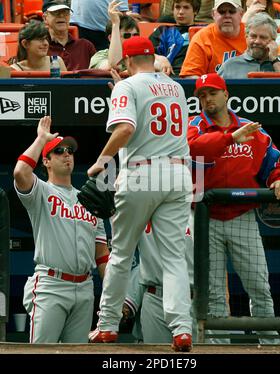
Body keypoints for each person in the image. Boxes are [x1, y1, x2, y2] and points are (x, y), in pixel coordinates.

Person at [87, 36, 194, 352]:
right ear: (151, 57)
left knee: (121, 253)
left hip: (142, 173)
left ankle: (107, 325)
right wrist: (127, 88)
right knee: (174, 257)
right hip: (177, 173)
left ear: (128, 61)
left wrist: (101, 162)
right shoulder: (176, 88)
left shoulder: (127, 87)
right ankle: (182, 330)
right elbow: (147, 97)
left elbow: (125, 129)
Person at [188, 73, 280, 344]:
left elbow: (274, 161)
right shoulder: (195, 126)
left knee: (259, 287)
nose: (207, 99)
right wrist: (230, 138)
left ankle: (270, 346)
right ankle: (217, 350)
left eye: (212, 93)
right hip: (204, 219)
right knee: (212, 294)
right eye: (201, 95)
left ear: (226, 95)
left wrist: (279, 178)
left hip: (242, 217)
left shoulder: (251, 129)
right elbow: (190, 149)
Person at [13, 116, 110, 343]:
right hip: (51, 285)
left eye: (70, 150)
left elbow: (102, 253)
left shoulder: (88, 198)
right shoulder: (42, 192)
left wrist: (111, 297)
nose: (67, 154)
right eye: (59, 151)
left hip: (85, 287)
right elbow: (20, 173)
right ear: (46, 161)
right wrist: (41, 140)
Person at [89, 1, 173, 75]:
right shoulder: (100, 56)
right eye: (127, 36)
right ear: (111, 38)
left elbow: (159, 66)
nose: (132, 39)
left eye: (136, 35)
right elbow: (114, 65)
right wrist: (115, 24)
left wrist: (162, 59)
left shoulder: (144, 56)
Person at [180, 0, 247, 78]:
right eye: (222, 12)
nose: (227, 15)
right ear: (213, 14)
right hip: (212, 89)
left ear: (241, 14)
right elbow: (190, 76)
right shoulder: (202, 38)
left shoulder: (253, 34)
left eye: (232, 11)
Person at [218, 12, 280, 78]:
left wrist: (275, 60)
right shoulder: (230, 65)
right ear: (246, 37)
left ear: (273, 40)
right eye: (253, 36)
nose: (257, 41)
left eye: (263, 37)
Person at [149, 0, 200, 76]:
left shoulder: (203, 31)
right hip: (169, 75)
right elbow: (146, 53)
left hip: (198, 75)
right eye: (177, 7)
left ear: (195, 11)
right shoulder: (163, 30)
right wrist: (160, 58)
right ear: (173, 10)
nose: (181, 12)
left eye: (186, 7)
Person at [43, 0, 96, 70]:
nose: (61, 15)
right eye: (55, 13)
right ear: (45, 18)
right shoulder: (41, 47)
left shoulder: (86, 46)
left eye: (65, 13)